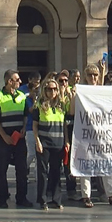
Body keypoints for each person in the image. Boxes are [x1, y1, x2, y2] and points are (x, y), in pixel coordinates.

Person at [77, 63, 112, 208]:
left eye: (95, 75)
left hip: (102, 133)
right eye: (90, 75)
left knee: (106, 163)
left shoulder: (101, 90)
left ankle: (111, 194)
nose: (93, 78)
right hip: (86, 133)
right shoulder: (80, 91)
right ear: (85, 76)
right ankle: (86, 195)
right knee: (86, 165)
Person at [0, 69, 33, 208]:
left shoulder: (22, 96)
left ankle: (22, 198)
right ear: (10, 81)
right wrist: (4, 136)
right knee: (1, 170)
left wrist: (24, 127)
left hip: (19, 139)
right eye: (17, 79)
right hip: (4, 139)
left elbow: (26, 114)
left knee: (21, 170)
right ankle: (2, 198)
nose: (20, 82)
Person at [33, 78, 69, 210]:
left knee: (56, 172)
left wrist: (66, 141)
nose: (52, 91)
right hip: (44, 143)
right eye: (49, 89)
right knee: (43, 173)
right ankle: (42, 199)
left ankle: (56, 199)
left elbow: (64, 125)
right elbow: (35, 125)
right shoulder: (39, 106)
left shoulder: (61, 105)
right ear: (45, 90)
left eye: (54, 89)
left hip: (58, 143)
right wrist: (37, 141)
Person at [20, 72, 42, 182]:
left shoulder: (40, 98)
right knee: (31, 153)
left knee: (39, 154)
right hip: (29, 128)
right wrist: (33, 100)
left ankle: (37, 177)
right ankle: (24, 169)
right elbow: (31, 110)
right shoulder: (27, 99)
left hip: (39, 128)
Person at [63, 69, 81, 200]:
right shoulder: (66, 91)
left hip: (80, 127)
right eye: (75, 76)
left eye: (79, 77)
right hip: (67, 126)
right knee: (67, 161)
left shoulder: (81, 89)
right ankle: (70, 188)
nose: (77, 79)